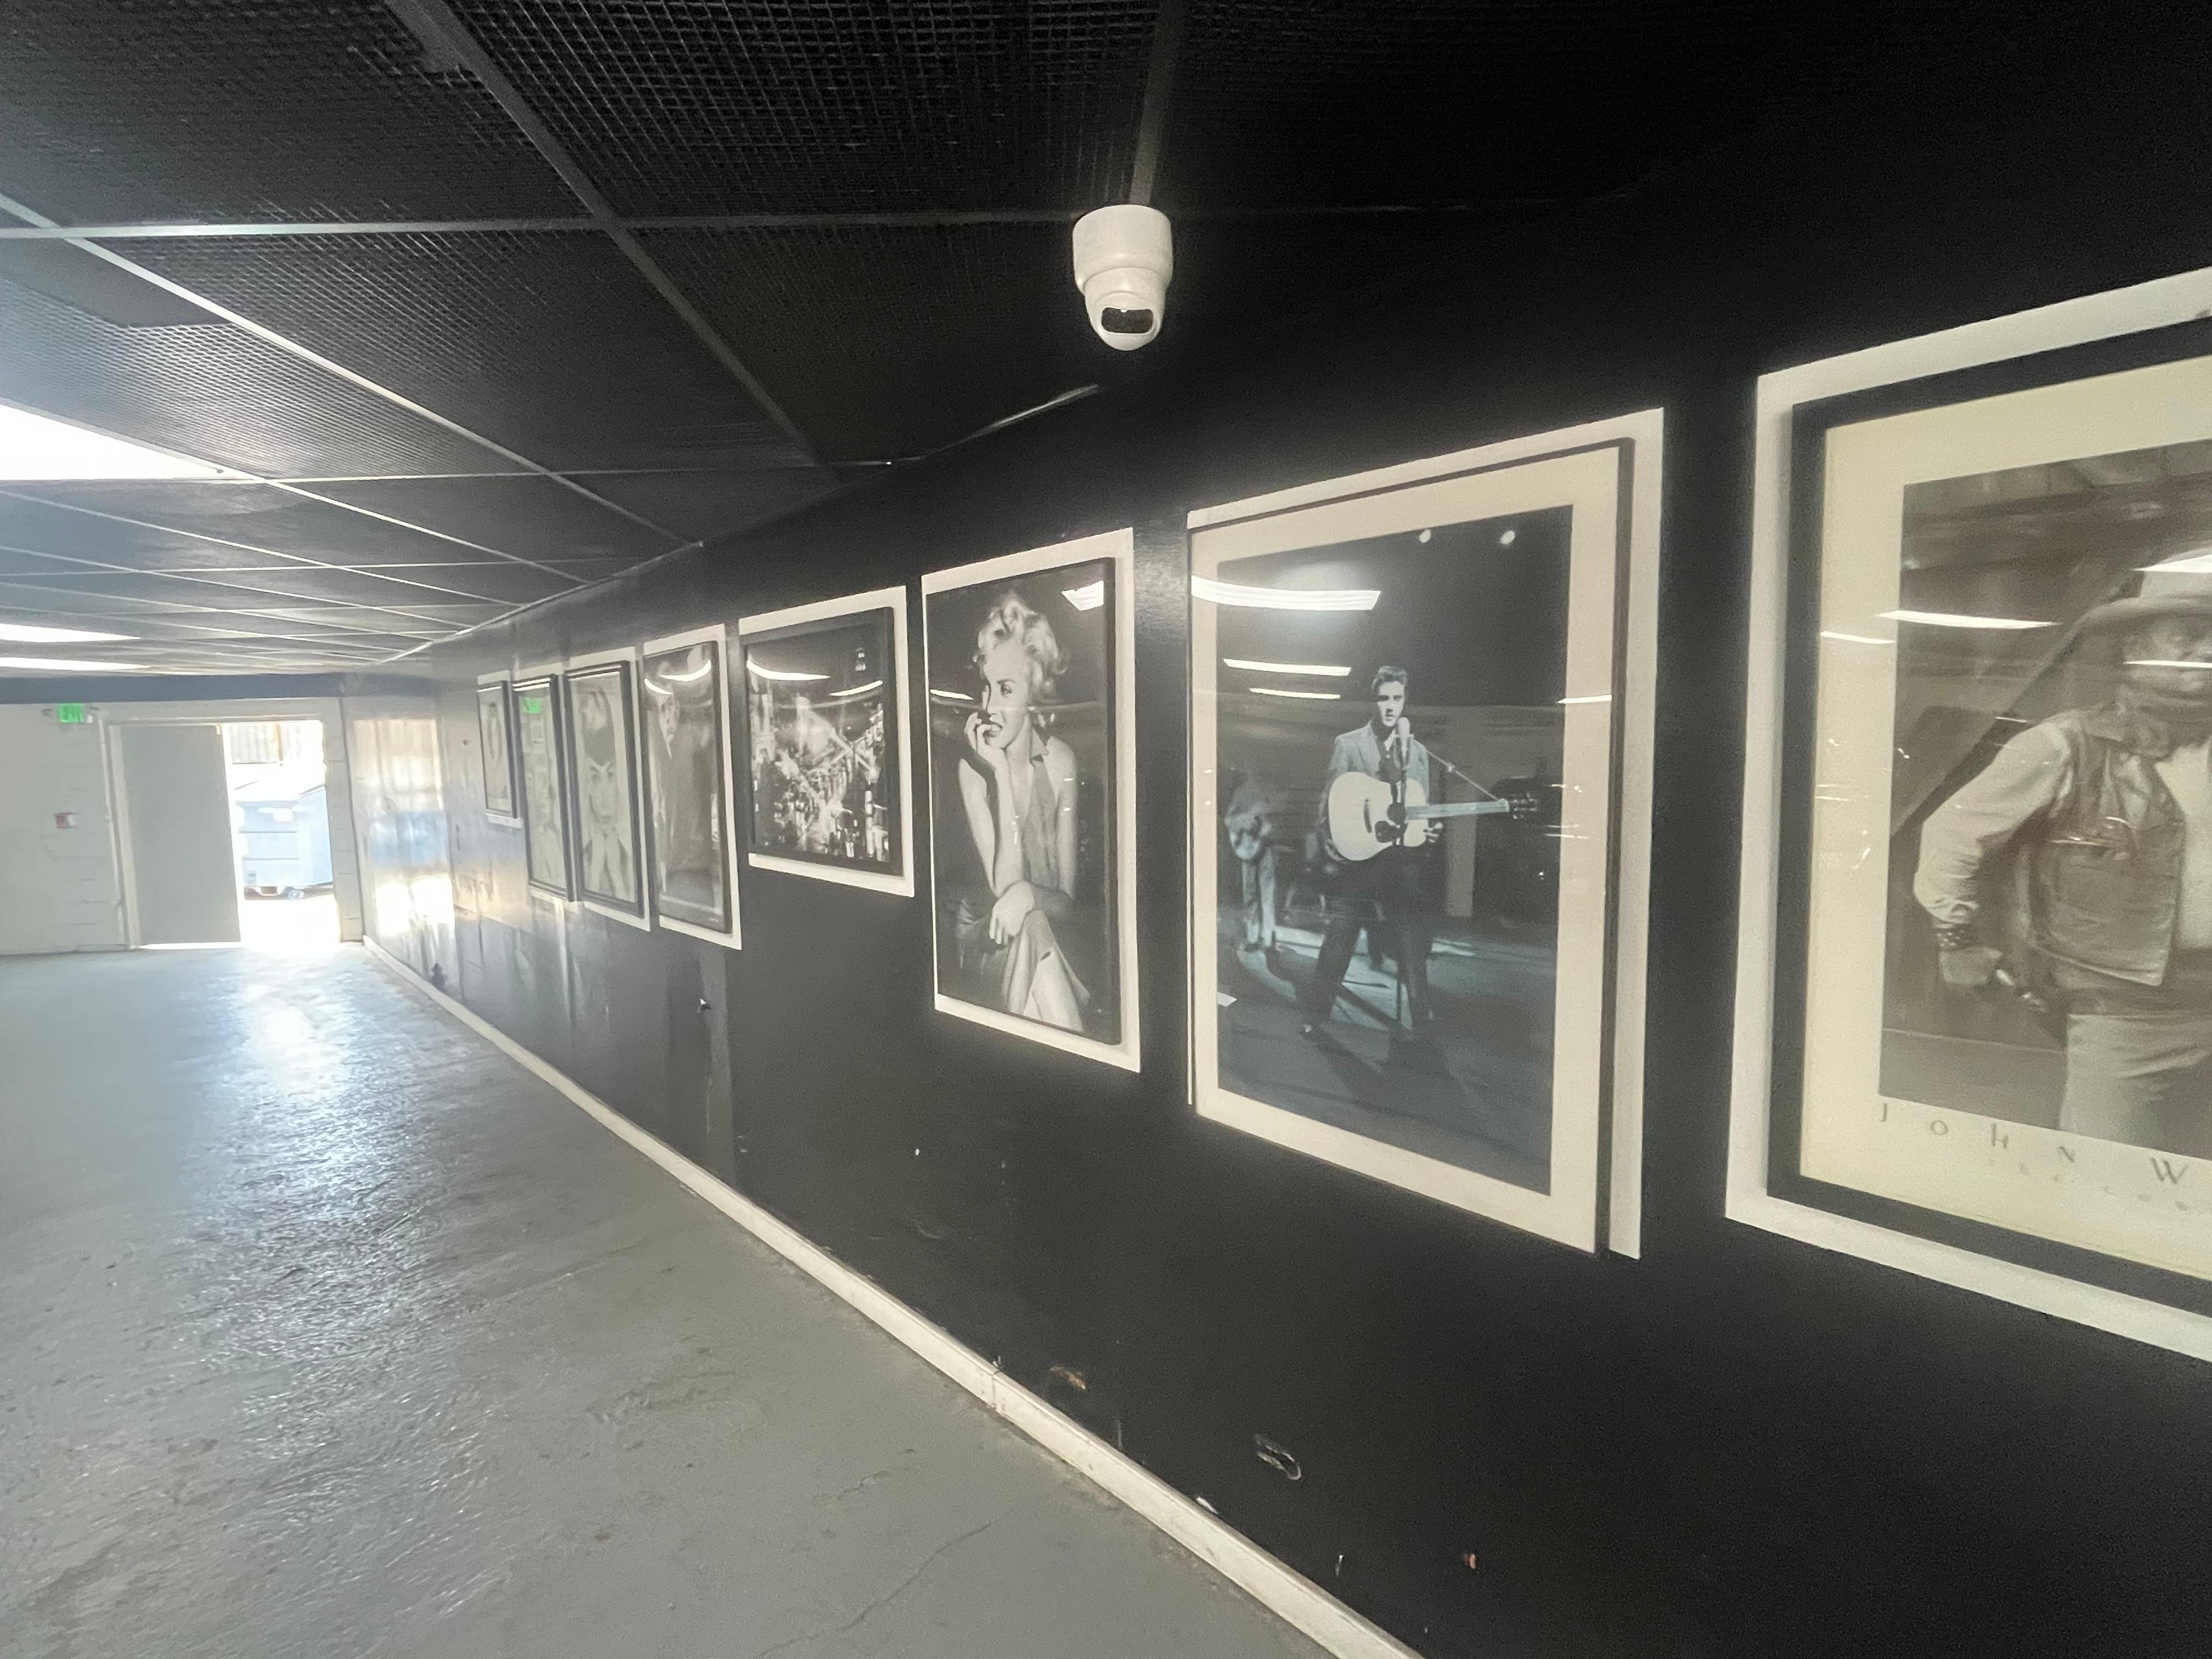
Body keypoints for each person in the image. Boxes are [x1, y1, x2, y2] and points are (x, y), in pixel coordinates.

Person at [1914, 555, 2212, 1153]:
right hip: (2125, 1017)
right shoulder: (2064, 744)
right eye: (2184, 636)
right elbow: (1951, 836)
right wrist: (1957, 939)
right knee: (2105, 1177)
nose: (2204, 650)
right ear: (2133, 647)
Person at [952, 589, 1090, 1031]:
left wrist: (1031, 896)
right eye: (986, 688)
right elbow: (1004, 889)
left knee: (1034, 926)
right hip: (983, 941)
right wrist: (999, 776)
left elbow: (1066, 904)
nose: (990, 707)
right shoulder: (972, 770)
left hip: (1044, 935)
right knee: (1030, 929)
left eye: (1006, 689)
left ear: (1034, 693)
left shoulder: (1061, 762)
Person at [1303, 665, 1438, 1037]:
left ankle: (1422, 1020)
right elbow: (1328, 805)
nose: (1390, 707)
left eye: (1397, 698)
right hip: (1358, 864)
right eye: (1383, 698)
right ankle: (1316, 1014)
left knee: (1413, 945)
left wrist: (1429, 832)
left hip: (1403, 864)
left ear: (1405, 701)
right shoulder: (1349, 745)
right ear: (1373, 700)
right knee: (1341, 937)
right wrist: (1336, 849)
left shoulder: (1420, 754)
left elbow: (1422, 808)